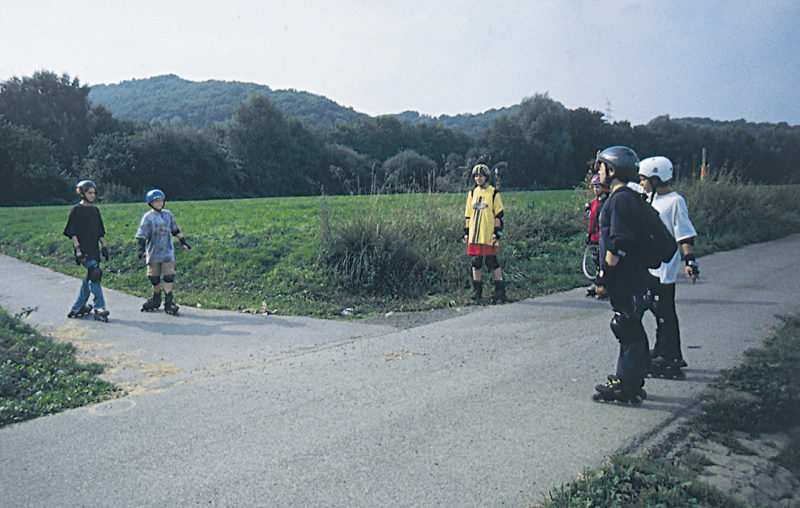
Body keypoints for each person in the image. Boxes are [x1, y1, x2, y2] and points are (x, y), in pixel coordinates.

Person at [592, 146, 650, 405]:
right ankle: (631, 380)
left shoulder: (619, 199)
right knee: (630, 325)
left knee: (625, 325)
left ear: (612, 171)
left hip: (625, 278)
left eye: (602, 167)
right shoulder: (628, 197)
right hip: (634, 275)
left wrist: (604, 279)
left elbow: (617, 244)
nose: (599, 171)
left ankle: (626, 384)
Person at [638, 156, 699, 378]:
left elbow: (684, 232)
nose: (642, 183)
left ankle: (672, 355)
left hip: (665, 265)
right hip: (651, 265)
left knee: (665, 310)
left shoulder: (675, 201)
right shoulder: (649, 197)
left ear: (656, 178)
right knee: (656, 309)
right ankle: (662, 347)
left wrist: (690, 260)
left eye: (644, 179)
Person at [135, 189, 191, 315]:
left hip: (167, 251)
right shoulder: (148, 217)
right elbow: (142, 235)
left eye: (161, 201)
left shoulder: (168, 215)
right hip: (153, 251)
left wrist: (183, 243)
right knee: (153, 276)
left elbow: (175, 230)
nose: (159, 203)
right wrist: (141, 250)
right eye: (156, 201)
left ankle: (169, 300)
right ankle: (156, 297)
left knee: (169, 275)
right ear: (150, 203)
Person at [63, 180, 110, 322]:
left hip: (94, 248)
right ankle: (99, 307)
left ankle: (78, 307)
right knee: (95, 273)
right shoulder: (76, 210)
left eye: (94, 193)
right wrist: (77, 250)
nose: (92, 195)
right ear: (81, 193)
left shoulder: (95, 210)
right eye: (89, 192)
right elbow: (72, 232)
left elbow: (100, 231)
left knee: (90, 277)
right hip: (83, 249)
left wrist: (104, 246)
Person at [463, 164, 505, 303]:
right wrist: (467, 233)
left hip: (488, 234)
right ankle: (477, 289)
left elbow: (498, 214)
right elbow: (468, 215)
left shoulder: (493, 193)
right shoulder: (472, 193)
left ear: (486, 177)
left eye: (481, 175)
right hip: (475, 234)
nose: (478, 178)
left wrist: (496, 233)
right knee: (476, 262)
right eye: (476, 176)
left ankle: (500, 289)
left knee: (491, 261)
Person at [585, 173, 609, 298]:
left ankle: (605, 287)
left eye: (598, 187)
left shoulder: (608, 202)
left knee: (603, 263)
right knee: (596, 261)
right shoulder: (594, 203)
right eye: (594, 187)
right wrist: (589, 236)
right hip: (594, 237)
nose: (596, 190)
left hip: (603, 237)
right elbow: (591, 221)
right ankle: (598, 285)